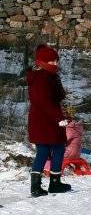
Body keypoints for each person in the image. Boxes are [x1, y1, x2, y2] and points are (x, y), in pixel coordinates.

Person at [26, 44, 72, 197]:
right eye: (52, 61)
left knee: (52, 150)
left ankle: (48, 184)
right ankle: (42, 185)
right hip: (45, 121)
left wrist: (63, 115)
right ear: (42, 62)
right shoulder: (41, 79)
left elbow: (55, 99)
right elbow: (45, 102)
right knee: (49, 150)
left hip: (47, 120)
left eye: (56, 61)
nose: (55, 64)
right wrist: (59, 118)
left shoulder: (48, 77)